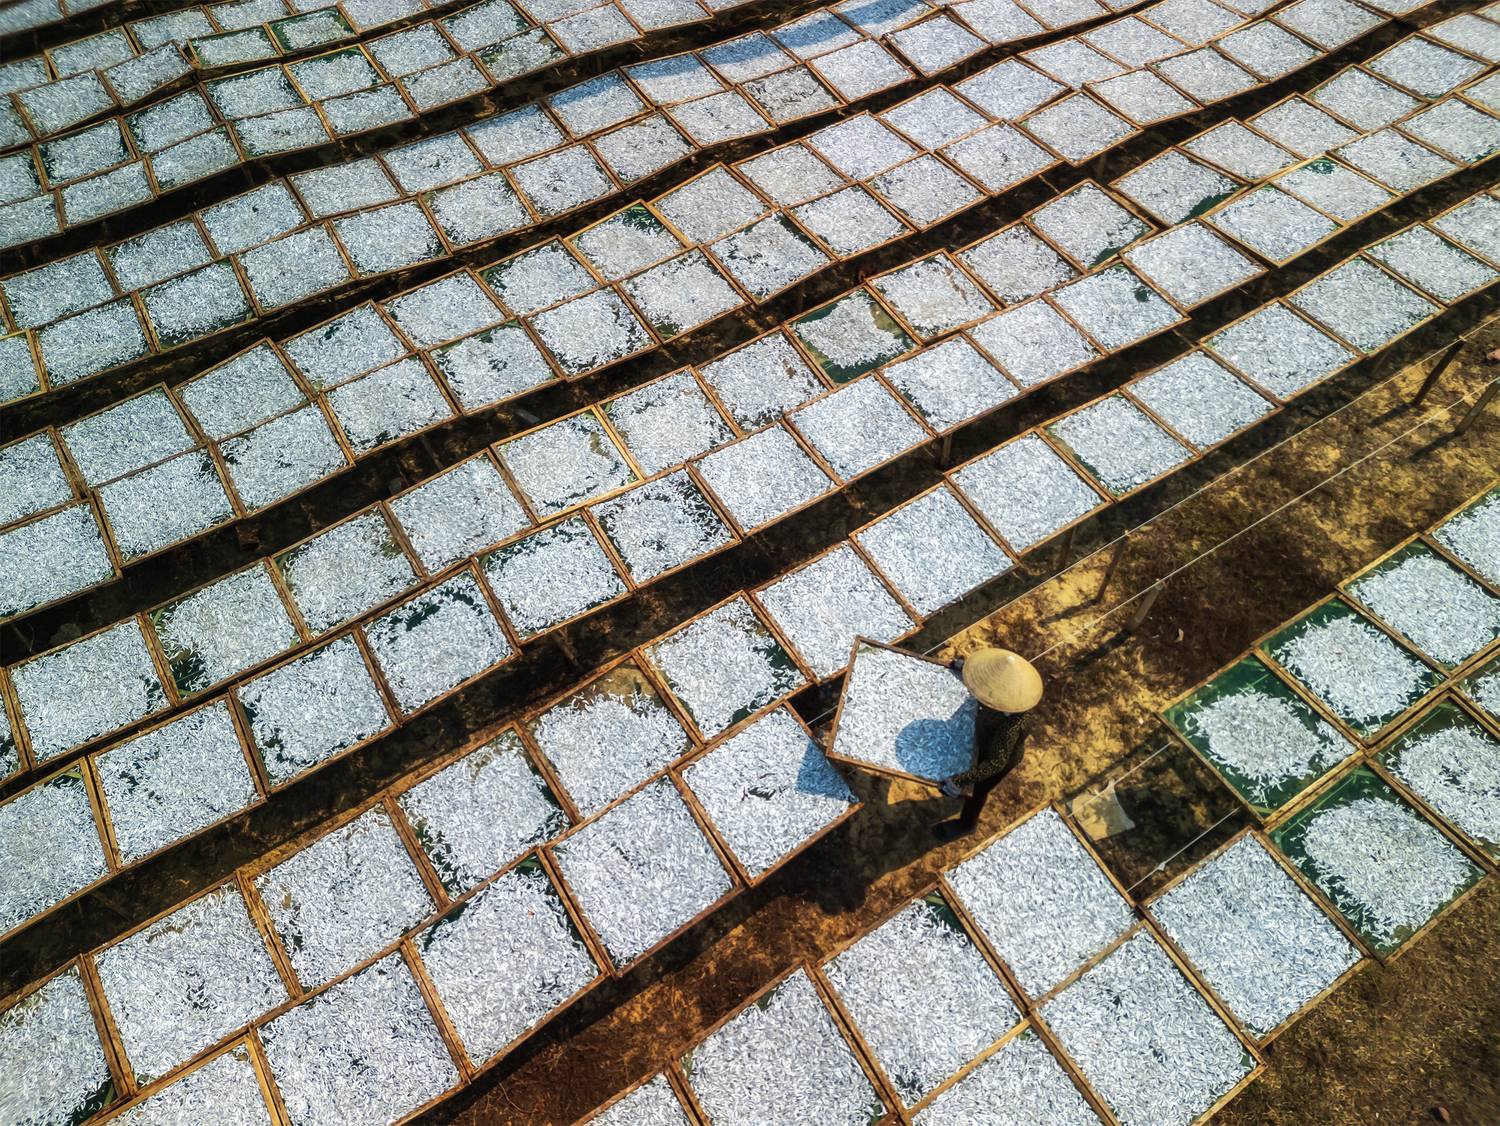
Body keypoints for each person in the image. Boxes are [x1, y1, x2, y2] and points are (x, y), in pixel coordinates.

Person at [932, 647, 1042, 842]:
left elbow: (996, 762)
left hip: (999, 756)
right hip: (982, 737)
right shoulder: (999, 685)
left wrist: (959, 781)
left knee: (979, 790)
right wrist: (965, 671)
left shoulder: (1011, 723)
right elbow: (984, 679)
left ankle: (967, 825)